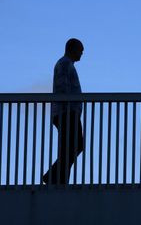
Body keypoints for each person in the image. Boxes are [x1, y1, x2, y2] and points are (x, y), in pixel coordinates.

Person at [42, 38, 85, 185]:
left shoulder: (67, 64)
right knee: (75, 145)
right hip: (67, 112)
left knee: (72, 146)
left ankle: (58, 178)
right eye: (80, 49)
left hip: (68, 112)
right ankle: (54, 176)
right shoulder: (64, 64)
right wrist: (69, 109)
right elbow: (64, 88)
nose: (82, 53)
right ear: (72, 48)